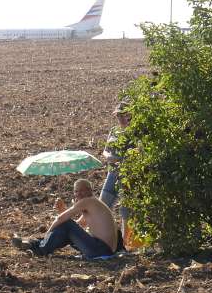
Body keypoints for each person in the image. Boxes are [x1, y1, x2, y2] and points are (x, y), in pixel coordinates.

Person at [12, 179, 117, 259]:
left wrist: (46, 235)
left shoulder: (88, 201)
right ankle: (31, 244)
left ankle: (39, 247)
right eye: (76, 191)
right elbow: (77, 227)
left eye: (82, 191)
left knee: (65, 223)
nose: (78, 194)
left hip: (100, 249)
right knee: (65, 228)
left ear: (90, 191)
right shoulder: (93, 204)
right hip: (103, 250)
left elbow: (61, 219)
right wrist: (62, 210)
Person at [100, 101, 131, 237]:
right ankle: (103, 236)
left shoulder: (135, 132)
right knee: (103, 204)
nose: (121, 118)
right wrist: (109, 157)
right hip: (112, 173)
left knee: (126, 210)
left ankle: (126, 240)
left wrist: (123, 159)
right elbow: (105, 151)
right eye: (118, 115)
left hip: (128, 175)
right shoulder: (114, 130)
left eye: (124, 115)